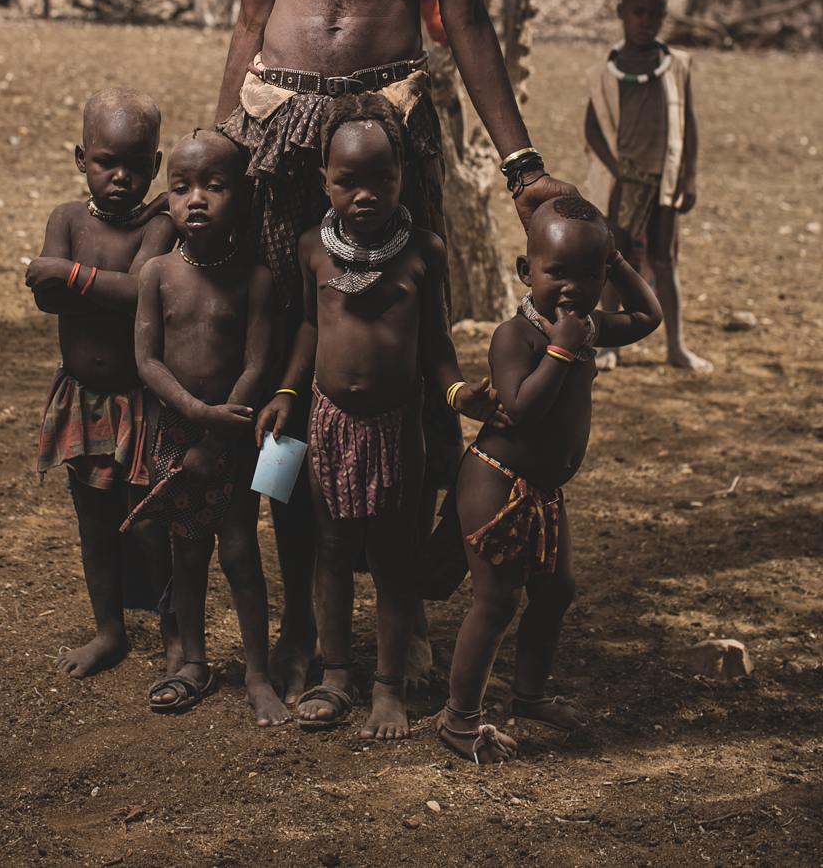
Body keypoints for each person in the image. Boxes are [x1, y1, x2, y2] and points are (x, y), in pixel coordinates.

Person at [217, 0, 576, 701]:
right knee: (288, 374)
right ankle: (302, 620)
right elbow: (247, 17)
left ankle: (405, 618)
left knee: (406, 371)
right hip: (278, 126)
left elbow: (463, 13)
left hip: (392, 121)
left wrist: (521, 165)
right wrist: (219, 157)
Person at [256, 95, 503, 741]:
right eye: (347, 181)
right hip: (330, 423)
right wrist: (286, 393)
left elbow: (438, 347)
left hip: (399, 429)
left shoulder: (423, 252)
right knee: (331, 553)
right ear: (323, 181)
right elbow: (309, 329)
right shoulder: (315, 248)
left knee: (395, 559)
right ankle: (336, 675)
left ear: (403, 178)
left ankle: (388, 688)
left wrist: (455, 397)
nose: (365, 194)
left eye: (381, 180)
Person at [421, 196, 662, 763]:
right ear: (526, 271)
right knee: (497, 600)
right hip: (495, 482)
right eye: (557, 272)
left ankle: (528, 695)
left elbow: (650, 317)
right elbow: (522, 408)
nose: (572, 287)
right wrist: (561, 348)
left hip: (543, 493)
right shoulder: (519, 336)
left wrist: (617, 263)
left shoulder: (587, 326)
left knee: (557, 590)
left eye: (588, 273)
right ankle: (459, 719)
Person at [125, 129, 289, 726]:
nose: (196, 199)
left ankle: (258, 674)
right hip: (177, 434)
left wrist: (219, 435)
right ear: (165, 199)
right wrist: (197, 420)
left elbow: (258, 364)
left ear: (242, 196)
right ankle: (192, 661)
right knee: (186, 553)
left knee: (242, 553)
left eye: (214, 186)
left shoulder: (256, 278)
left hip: (236, 438)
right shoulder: (158, 274)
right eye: (181, 187)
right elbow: (147, 362)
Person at [28, 88, 178, 679]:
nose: (121, 177)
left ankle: (175, 636)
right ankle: (109, 630)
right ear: (80, 158)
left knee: (149, 519)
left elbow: (140, 290)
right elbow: (45, 300)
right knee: (93, 519)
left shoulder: (159, 225)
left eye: (137, 166)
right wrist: (97, 284)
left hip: (142, 400)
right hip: (81, 400)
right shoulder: (66, 218)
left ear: (156, 166)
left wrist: (69, 274)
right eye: (105, 162)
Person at [584, 0, 711, 373]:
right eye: (639, 12)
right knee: (614, 260)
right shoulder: (605, 72)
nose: (647, 21)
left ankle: (676, 346)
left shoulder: (677, 67)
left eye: (657, 14)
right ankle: (608, 347)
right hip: (623, 181)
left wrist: (689, 177)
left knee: (663, 257)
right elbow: (592, 127)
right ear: (622, 13)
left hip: (665, 179)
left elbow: (689, 125)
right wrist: (616, 170)